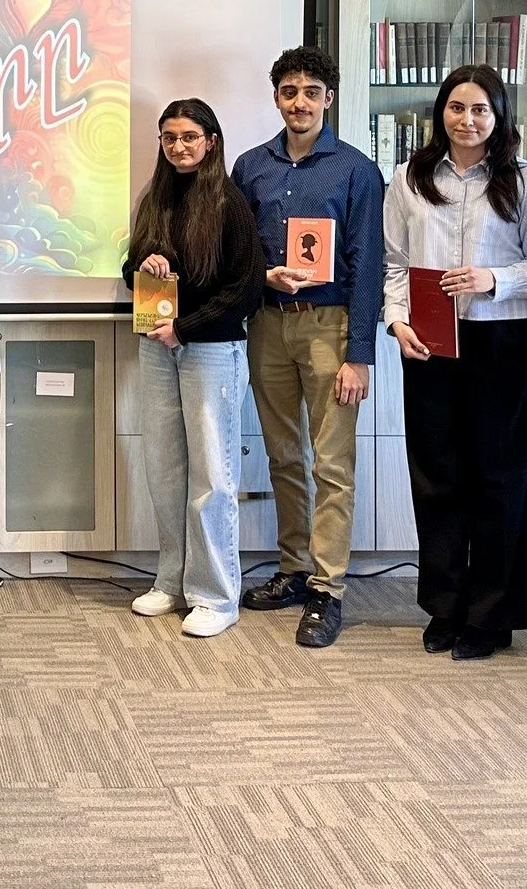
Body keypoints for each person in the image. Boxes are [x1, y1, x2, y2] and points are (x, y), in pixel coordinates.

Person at [383, 64, 527, 662]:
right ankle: (445, 605)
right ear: (441, 113)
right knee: (437, 476)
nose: (467, 119)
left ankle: (493, 614)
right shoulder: (409, 178)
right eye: (456, 107)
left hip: (501, 338)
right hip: (429, 339)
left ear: (499, 116)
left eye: (480, 109)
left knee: (500, 477)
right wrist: (396, 320)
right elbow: (394, 262)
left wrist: (493, 279)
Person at [232, 46, 385, 648]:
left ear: (329, 99)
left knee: (332, 463)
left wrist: (359, 354)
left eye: (311, 92)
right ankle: (293, 569)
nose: (300, 102)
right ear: (276, 98)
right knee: (283, 456)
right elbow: (238, 251)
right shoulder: (250, 167)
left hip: (330, 327)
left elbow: (368, 265)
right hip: (269, 324)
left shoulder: (355, 171)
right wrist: (263, 275)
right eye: (289, 91)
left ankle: (328, 588)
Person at [123, 98, 266, 638]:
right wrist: (143, 265)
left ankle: (216, 596)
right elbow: (129, 271)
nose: (179, 147)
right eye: (169, 138)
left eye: (189, 137)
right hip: (156, 348)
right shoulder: (155, 197)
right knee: (164, 471)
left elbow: (246, 289)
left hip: (210, 351)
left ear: (211, 141)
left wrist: (184, 328)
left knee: (211, 477)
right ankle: (171, 582)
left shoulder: (229, 202)